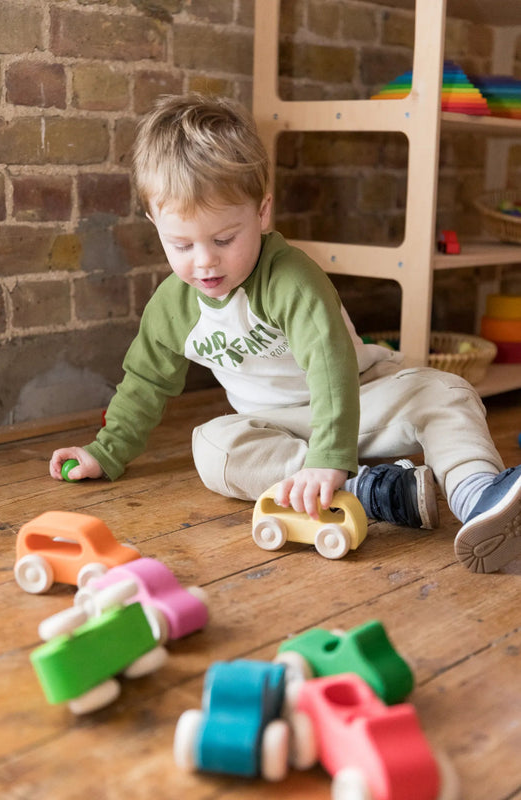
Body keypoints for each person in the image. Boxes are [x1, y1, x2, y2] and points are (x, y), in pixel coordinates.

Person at [49, 93, 521, 574]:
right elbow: (145, 383)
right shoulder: (172, 308)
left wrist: (331, 454)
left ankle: (479, 496)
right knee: (212, 447)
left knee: (445, 390)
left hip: (360, 398)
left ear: (262, 213)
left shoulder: (289, 277)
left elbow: (331, 366)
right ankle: (374, 491)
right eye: (182, 244)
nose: (205, 260)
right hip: (280, 427)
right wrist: (105, 452)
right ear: (155, 226)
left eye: (224, 239)